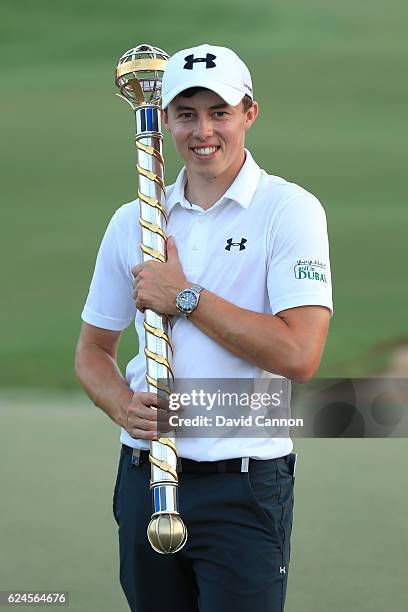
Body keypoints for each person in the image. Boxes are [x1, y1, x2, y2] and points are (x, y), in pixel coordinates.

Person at [75, 44, 333, 612]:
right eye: (186, 114)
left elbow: (300, 353)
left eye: (219, 111)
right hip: (144, 477)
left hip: (244, 483)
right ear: (164, 120)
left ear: (249, 114)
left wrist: (186, 298)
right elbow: (93, 351)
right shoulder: (134, 220)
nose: (203, 131)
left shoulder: (289, 211)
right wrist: (122, 405)